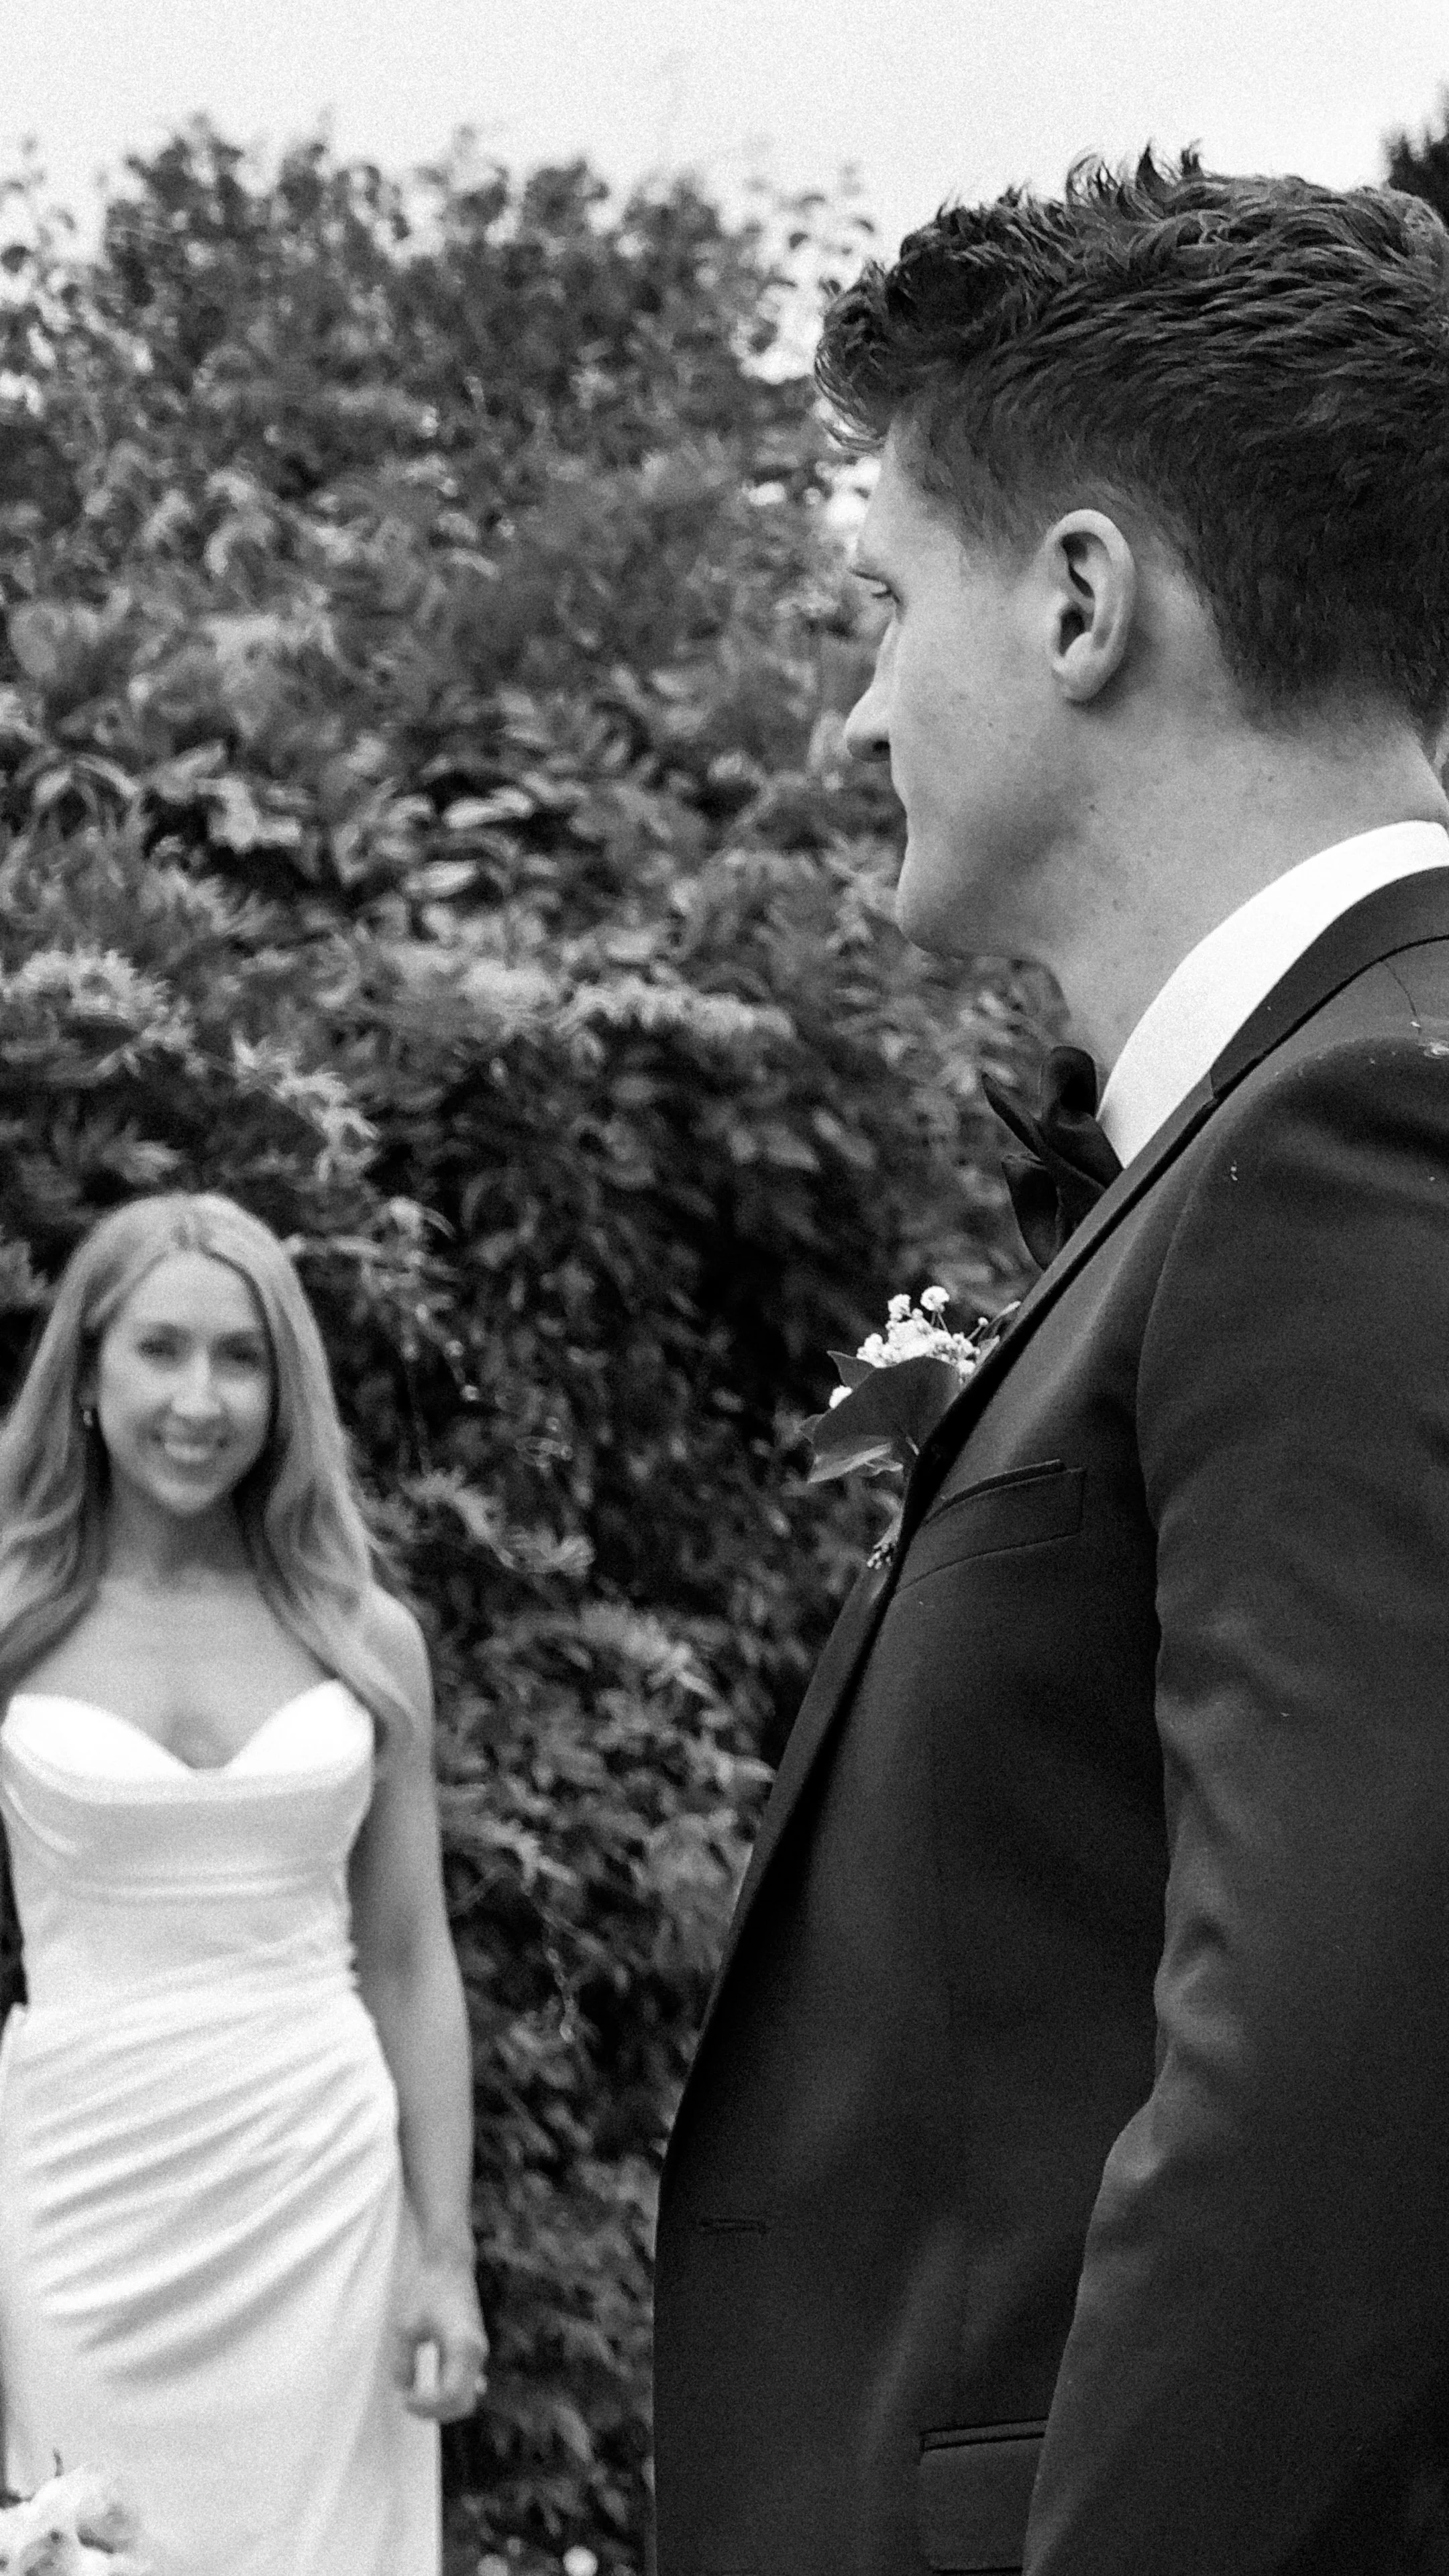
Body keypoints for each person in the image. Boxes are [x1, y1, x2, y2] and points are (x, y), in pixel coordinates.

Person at [653, 153, 1449, 2575]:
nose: (857, 705)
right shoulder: (1283, 1132)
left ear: (1084, 599)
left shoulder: (1363, 1137)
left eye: (884, 606)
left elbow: (1332, 2099)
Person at [0, 1191, 486, 2575]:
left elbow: (408, 1958)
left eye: (241, 1358)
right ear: (88, 1371)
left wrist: (443, 2250)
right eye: (160, 1349)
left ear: (289, 1391)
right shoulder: (9, 1618)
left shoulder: (365, 1634)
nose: (199, 1400)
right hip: (81, 2198)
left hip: (319, 2200)